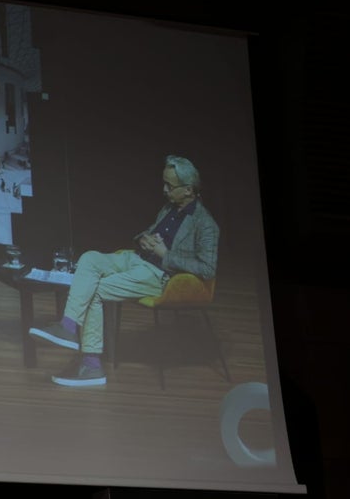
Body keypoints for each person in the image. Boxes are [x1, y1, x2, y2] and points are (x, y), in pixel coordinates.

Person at [28, 155, 219, 387]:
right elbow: (146, 232)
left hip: (158, 274)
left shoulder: (205, 224)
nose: (164, 189)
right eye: (164, 183)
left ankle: (92, 365)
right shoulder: (169, 207)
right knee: (89, 258)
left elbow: (207, 269)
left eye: (170, 186)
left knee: (95, 290)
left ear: (188, 190)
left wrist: (164, 254)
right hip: (135, 258)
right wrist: (145, 239)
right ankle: (68, 327)